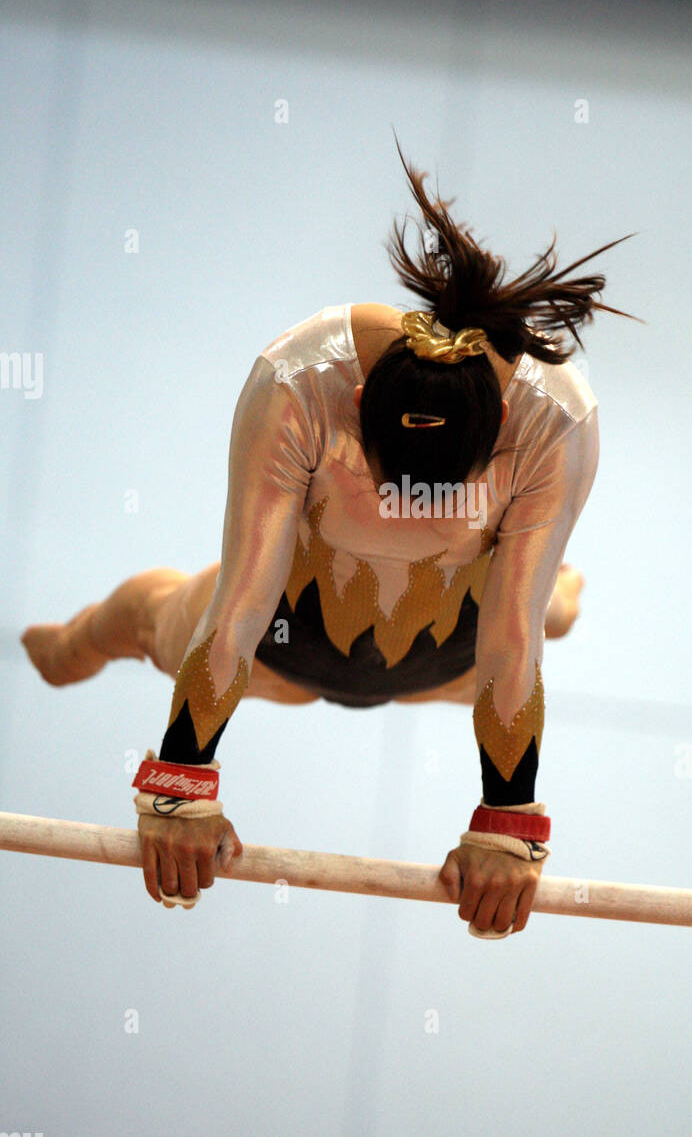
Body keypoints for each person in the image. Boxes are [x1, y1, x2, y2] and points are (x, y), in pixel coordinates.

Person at [22, 141, 631, 938]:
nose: (408, 504)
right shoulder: (299, 381)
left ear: (504, 425)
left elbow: (509, 650)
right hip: (281, 639)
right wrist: (179, 786)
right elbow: (241, 607)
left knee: (543, 616)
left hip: (457, 653)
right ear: (355, 400)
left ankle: (554, 579)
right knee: (132, 624)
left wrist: (507, 829)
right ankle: (59, 645)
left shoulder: (558, 421)